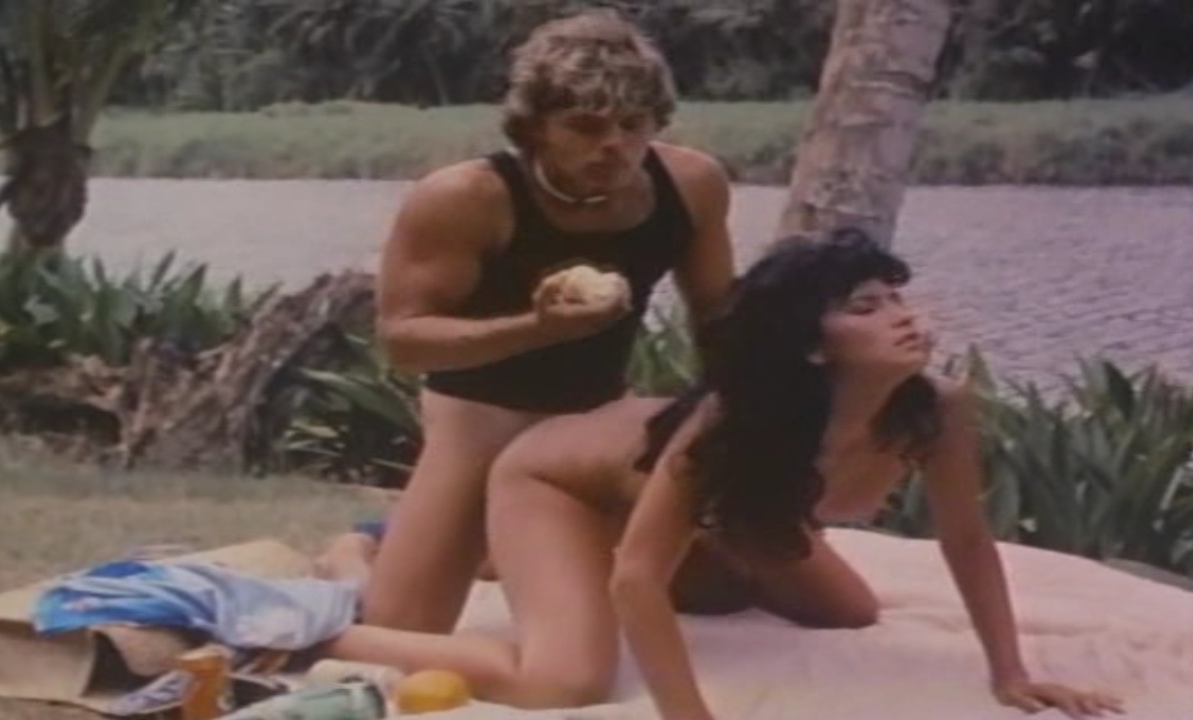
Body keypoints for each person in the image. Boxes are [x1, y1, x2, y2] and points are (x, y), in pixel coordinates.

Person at [316, 228, 1125, 719]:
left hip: (686, 503)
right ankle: (322, 619)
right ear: (811, 347)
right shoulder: (732, 425)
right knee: (562, 681)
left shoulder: (936, 408)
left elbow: (968, 540)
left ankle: (414, 551)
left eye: (897, 298)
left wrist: (1011, 674)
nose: (904, 317)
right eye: (867, 307)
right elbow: (638, 578)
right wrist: (689, 715)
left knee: (846, 612)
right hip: (558, 482)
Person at [363, 9, 736, 633]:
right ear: (534, 127)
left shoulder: (691, 184)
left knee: (724, 587)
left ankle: (502, 548)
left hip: (597, 415)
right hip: (480, 416)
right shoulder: (465, 198)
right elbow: (404, 342)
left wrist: (742, 424)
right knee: (401, 627)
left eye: (633, 124)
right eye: (585, 126)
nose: (613, 145)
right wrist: (536, 329)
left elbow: (718, 320)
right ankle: (359, 552)